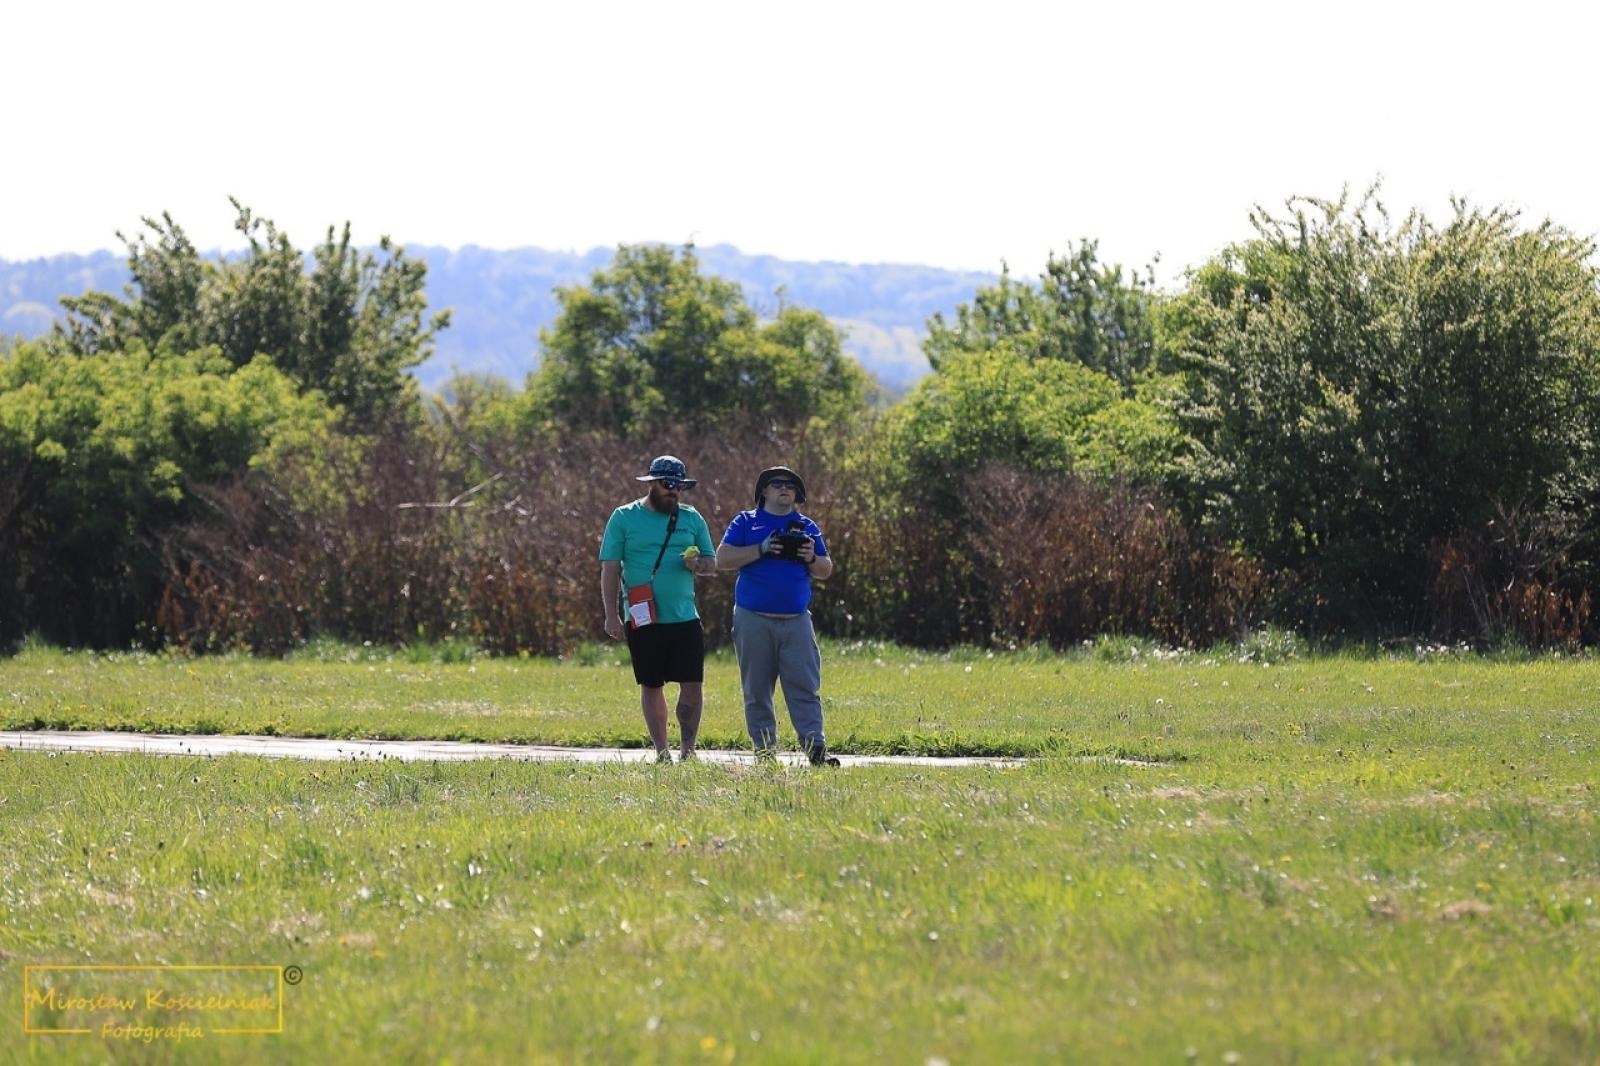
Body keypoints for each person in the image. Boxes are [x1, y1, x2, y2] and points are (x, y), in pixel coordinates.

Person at [716, 465, 839, 766]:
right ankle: (765, 752)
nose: (785, 489)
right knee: (757, 689)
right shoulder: (746, 521)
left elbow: (826, 570)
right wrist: (762, 547)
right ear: (764, 492)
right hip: (752, 618)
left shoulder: (806, 526)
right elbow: (722, 559)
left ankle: (815, 749)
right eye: (777, 484)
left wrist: (810, 556)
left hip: (796, 620)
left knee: (805, 687)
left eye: (791, 486)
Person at [599, 455, 718, 763]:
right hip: (642, 617)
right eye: (667, 484)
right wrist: (612, 615)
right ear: (651, 483)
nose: (674, 491)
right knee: (651, 684)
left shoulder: (692, 518)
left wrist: (698, 564)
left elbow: (711, 563)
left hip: (684, 617)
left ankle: (688, 752)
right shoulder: (624, 517)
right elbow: (610, 569)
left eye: (680, 486)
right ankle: (662, 752)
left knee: (692, 684)